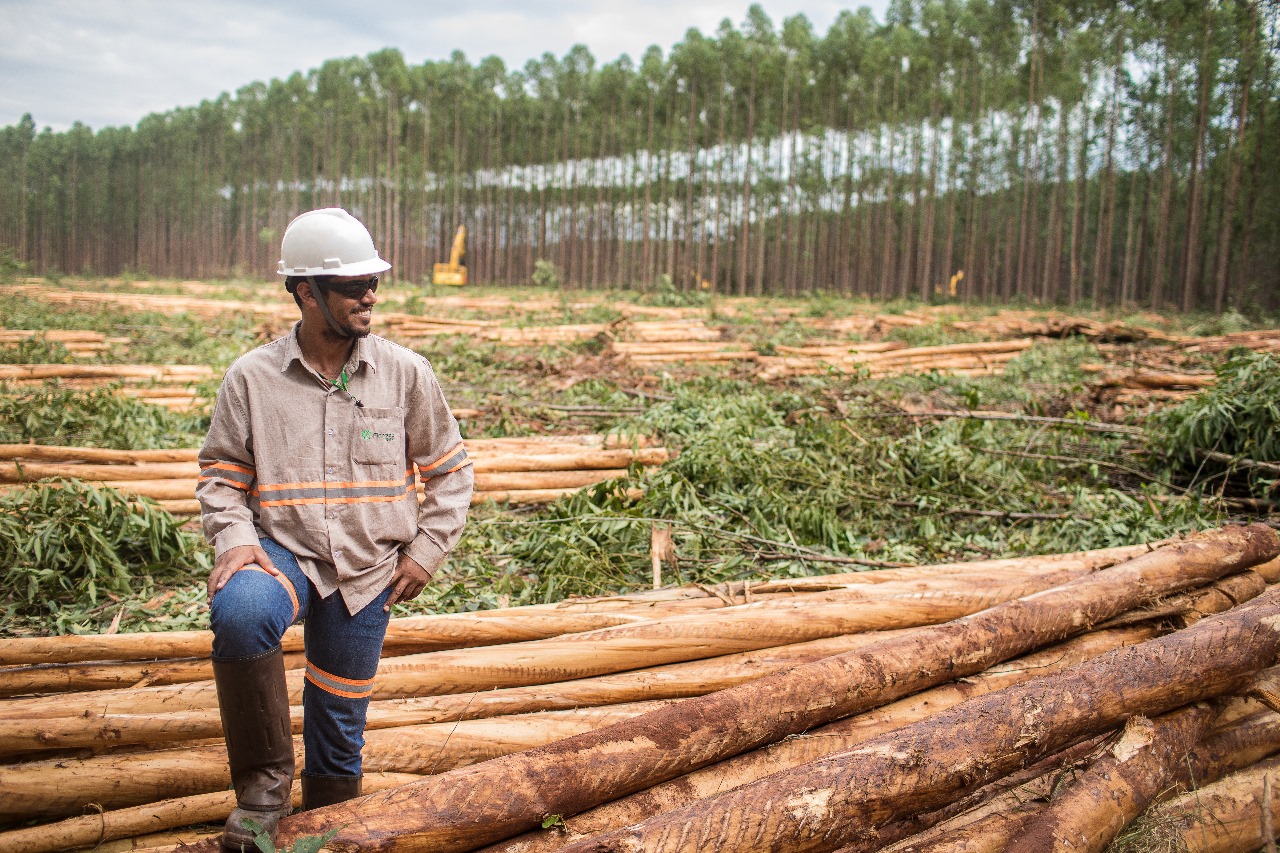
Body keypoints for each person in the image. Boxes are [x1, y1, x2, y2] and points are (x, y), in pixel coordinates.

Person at [196, 208, 474, 851]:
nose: (369, 295)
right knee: (240, 612)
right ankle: (263, 796)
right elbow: (221, 475)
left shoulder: (406, 374)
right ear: (305, 292)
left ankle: (325, 818)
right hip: (284, 554)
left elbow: (452, 475)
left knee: (339, 714)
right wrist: (236, 541)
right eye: (352, 286)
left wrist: (426, 552)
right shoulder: (252, 378)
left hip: (371, 567)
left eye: (373, 282)